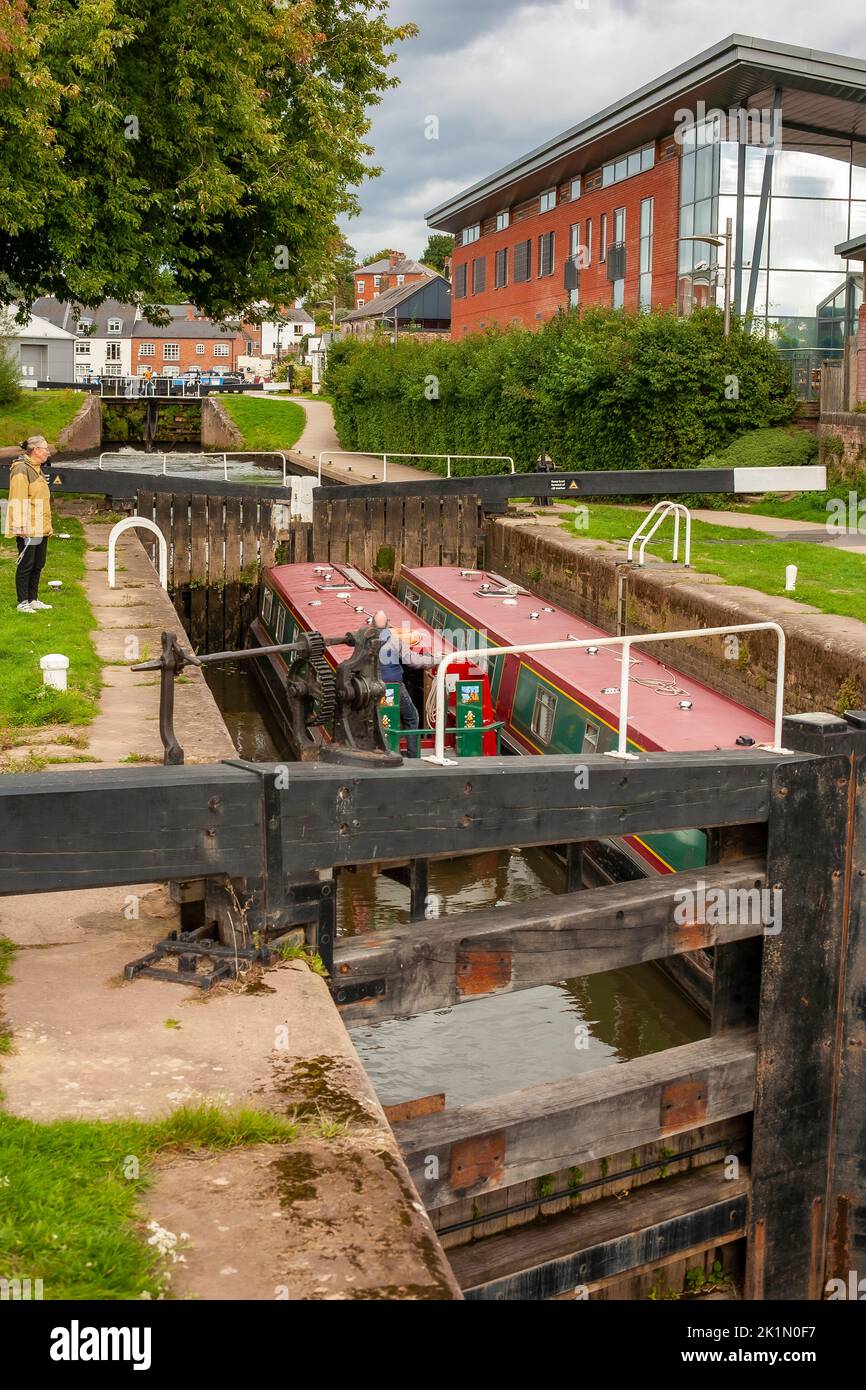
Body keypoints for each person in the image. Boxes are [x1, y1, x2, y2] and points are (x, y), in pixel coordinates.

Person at [373, 609, 433, 758]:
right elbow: (414, 662)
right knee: (412, 717)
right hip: (393, 687)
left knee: (374, 718)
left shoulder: (365, 641)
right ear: (388, 625)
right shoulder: (394, 641)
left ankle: (377, 749)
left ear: (372, 625)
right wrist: (436, 659)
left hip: (373, 687)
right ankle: (413, 756)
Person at [5, 434, 54, 613]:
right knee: (26, 564)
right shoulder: (20, 469)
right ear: (36, 450)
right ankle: (22, 602)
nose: (48, 452)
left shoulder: (36, 468)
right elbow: (17, 498)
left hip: (40, 526)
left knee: (38, 563)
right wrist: (19, 526)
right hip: (28, 527)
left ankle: (33, 599)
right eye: (46, 449)